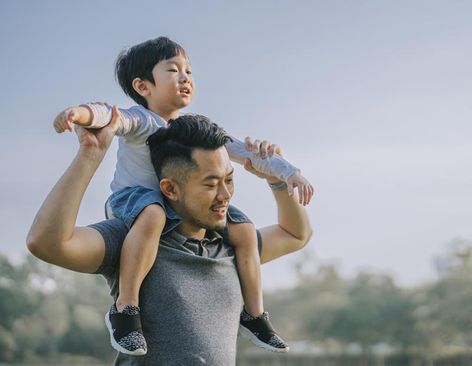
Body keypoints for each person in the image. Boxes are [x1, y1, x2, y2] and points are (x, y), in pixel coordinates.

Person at [51, 36, 314, 354]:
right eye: (173, 70)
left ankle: (255, 314)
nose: (185, 77)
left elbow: (247, 155)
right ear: (143, 86)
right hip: (134, 202)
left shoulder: (198, 135)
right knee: (153, 214)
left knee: (243, 228)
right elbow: (109, 115)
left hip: (172, 211)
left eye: (188, 71)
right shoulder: (141, 120)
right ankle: (126, 309)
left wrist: (287, 174)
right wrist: (79, 114)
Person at [27, 111, 313, 364]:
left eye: (229, 179)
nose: (225, 195)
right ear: (170, 189)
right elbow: (46, 242)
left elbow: (295, 234)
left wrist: (276, 177)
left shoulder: (232, 244)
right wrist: (89, 155)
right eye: (211, 184)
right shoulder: (135, 239)